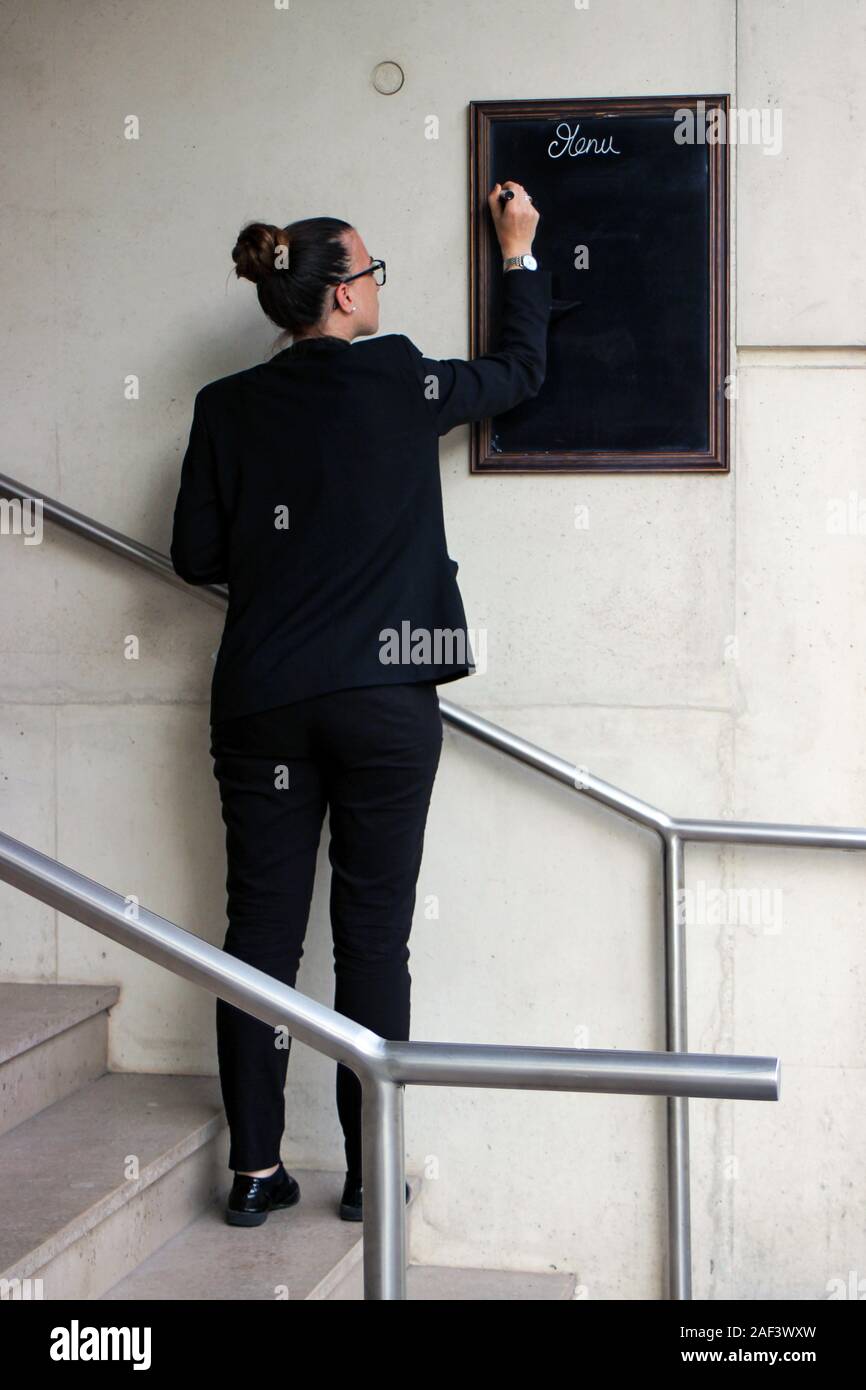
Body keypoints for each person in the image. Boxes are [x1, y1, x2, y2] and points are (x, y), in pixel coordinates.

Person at [169, 181, 552, 1226]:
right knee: (373, 939)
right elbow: (519, 372)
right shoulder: (396, 379)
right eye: (372, 270)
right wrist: (515, 254)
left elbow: (194, 553)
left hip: (260, 701)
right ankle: (369, 1175)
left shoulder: (223, 407)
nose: (381, 284)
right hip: (384, 700)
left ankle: (254, 1172)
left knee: (257, 936)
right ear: (340, 296)